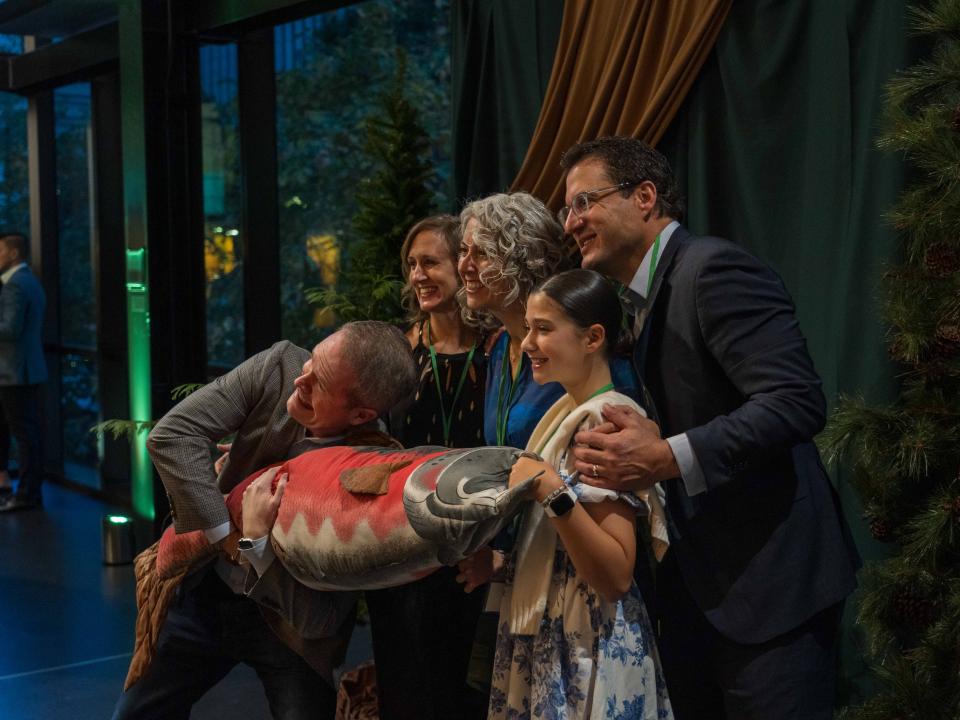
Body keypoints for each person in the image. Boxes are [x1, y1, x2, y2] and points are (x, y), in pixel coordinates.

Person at [560, 136, 861, 719]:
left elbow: (795, 400)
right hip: (702, 596)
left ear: (644, 197)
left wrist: (667, 455)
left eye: (583, 202)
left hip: (772, 592)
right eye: (566, 209)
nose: (572, 223)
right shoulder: (641, 299)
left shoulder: (712, 269)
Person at [112, 321, 418, 720]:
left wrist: (256, 544)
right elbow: (172, 435)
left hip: (289, 625)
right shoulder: (280, 365)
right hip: (210, 589)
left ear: (360, 414)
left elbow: (319, 618)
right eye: (312, 362)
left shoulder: (374, 471)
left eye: (319, 382)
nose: (301, 380)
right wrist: (225, 535)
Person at [458, 269, 673, 719]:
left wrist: (550, 489)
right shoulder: (566, 413)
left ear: (593, 337)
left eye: (543, 328)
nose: (529, 343)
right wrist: (502, 566)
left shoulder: (603, 425)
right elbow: (564, 550)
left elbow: (615, 573)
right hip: (555, 630)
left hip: (585, 643)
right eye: (528, 328)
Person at [368, 215, 490, 719]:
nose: (418, 275)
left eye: (431, 262)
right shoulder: (395, 353)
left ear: (464, 267)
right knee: (405, 683)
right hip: (402, 547)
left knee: (465, 689)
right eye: (412, 264)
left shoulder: (500, 351)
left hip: (476, 551)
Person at [0, 232, 47, 513]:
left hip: (14, 373)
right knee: (21, 431)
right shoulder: (28, 281)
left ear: (14, 254)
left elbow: (10, 329)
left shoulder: (15, 285)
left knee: (24, 434)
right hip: (21, 371)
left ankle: (28, 494)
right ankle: (15, 487)